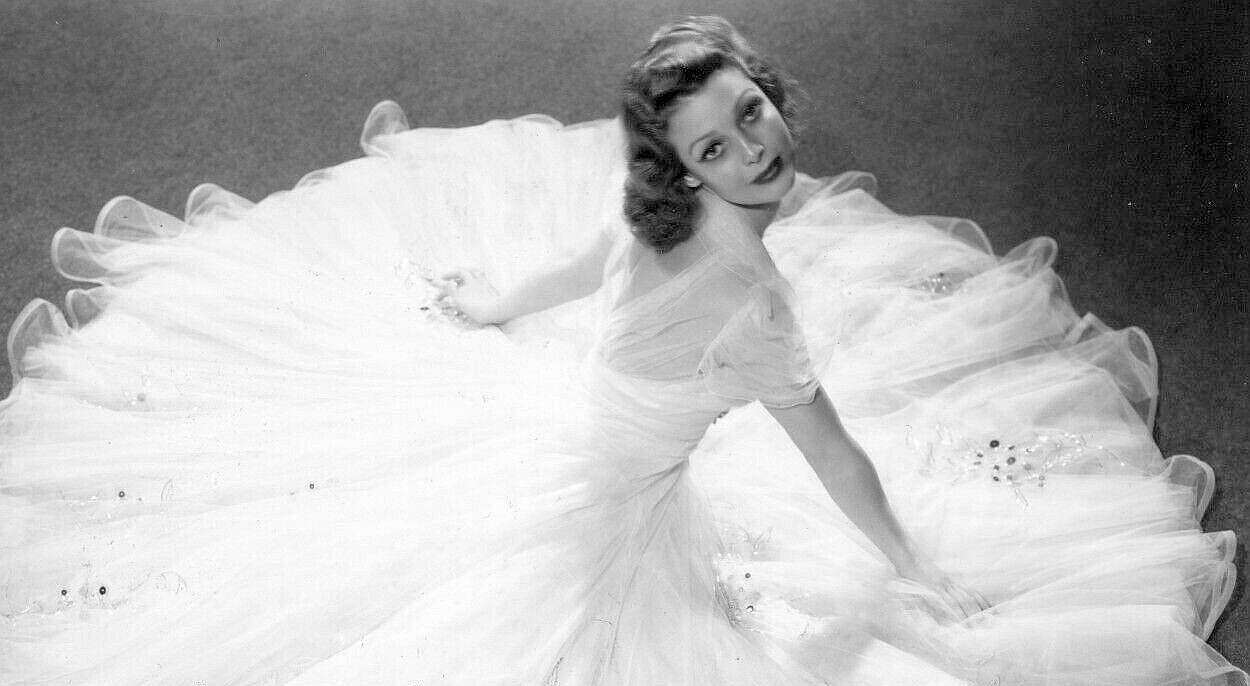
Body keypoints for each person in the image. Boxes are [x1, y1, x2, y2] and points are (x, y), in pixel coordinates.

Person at [0, 15, 1242, 686]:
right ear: (682, 170)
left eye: (750, 111)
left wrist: (503, 308)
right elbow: (831, 456)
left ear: (768, 87)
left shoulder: (663, 209)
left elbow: (596, 259)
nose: (754, 149)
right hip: (609, 505)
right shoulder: (751, 302)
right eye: (715, 147)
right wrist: (911, 564)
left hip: (585, 423)